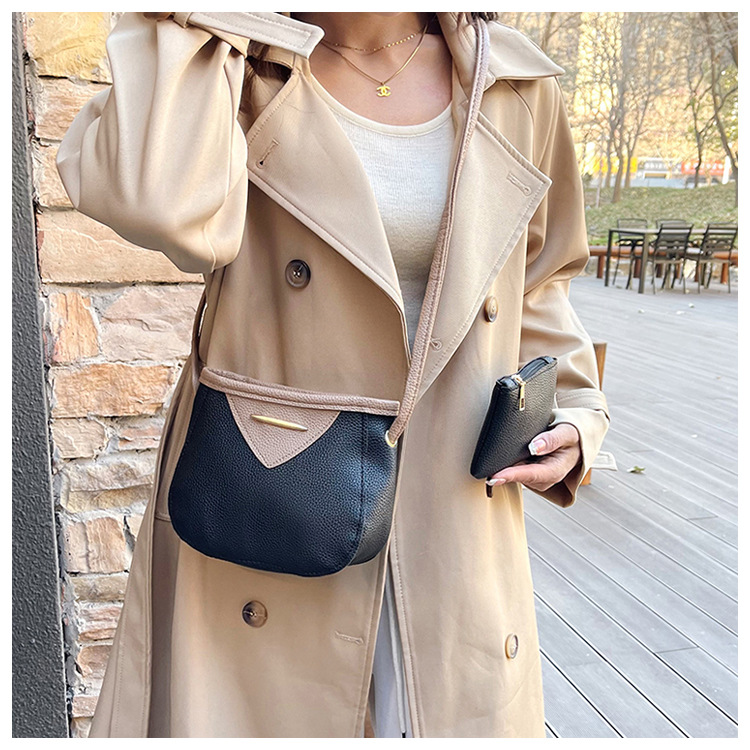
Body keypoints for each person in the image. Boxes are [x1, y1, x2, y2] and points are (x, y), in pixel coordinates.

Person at [56, 11, 610, 738]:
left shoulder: (511, 81)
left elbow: (540, 279)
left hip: (453, 509)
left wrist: (576, 407)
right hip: (274, 494)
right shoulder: (232, 62)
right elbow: (155, 202)